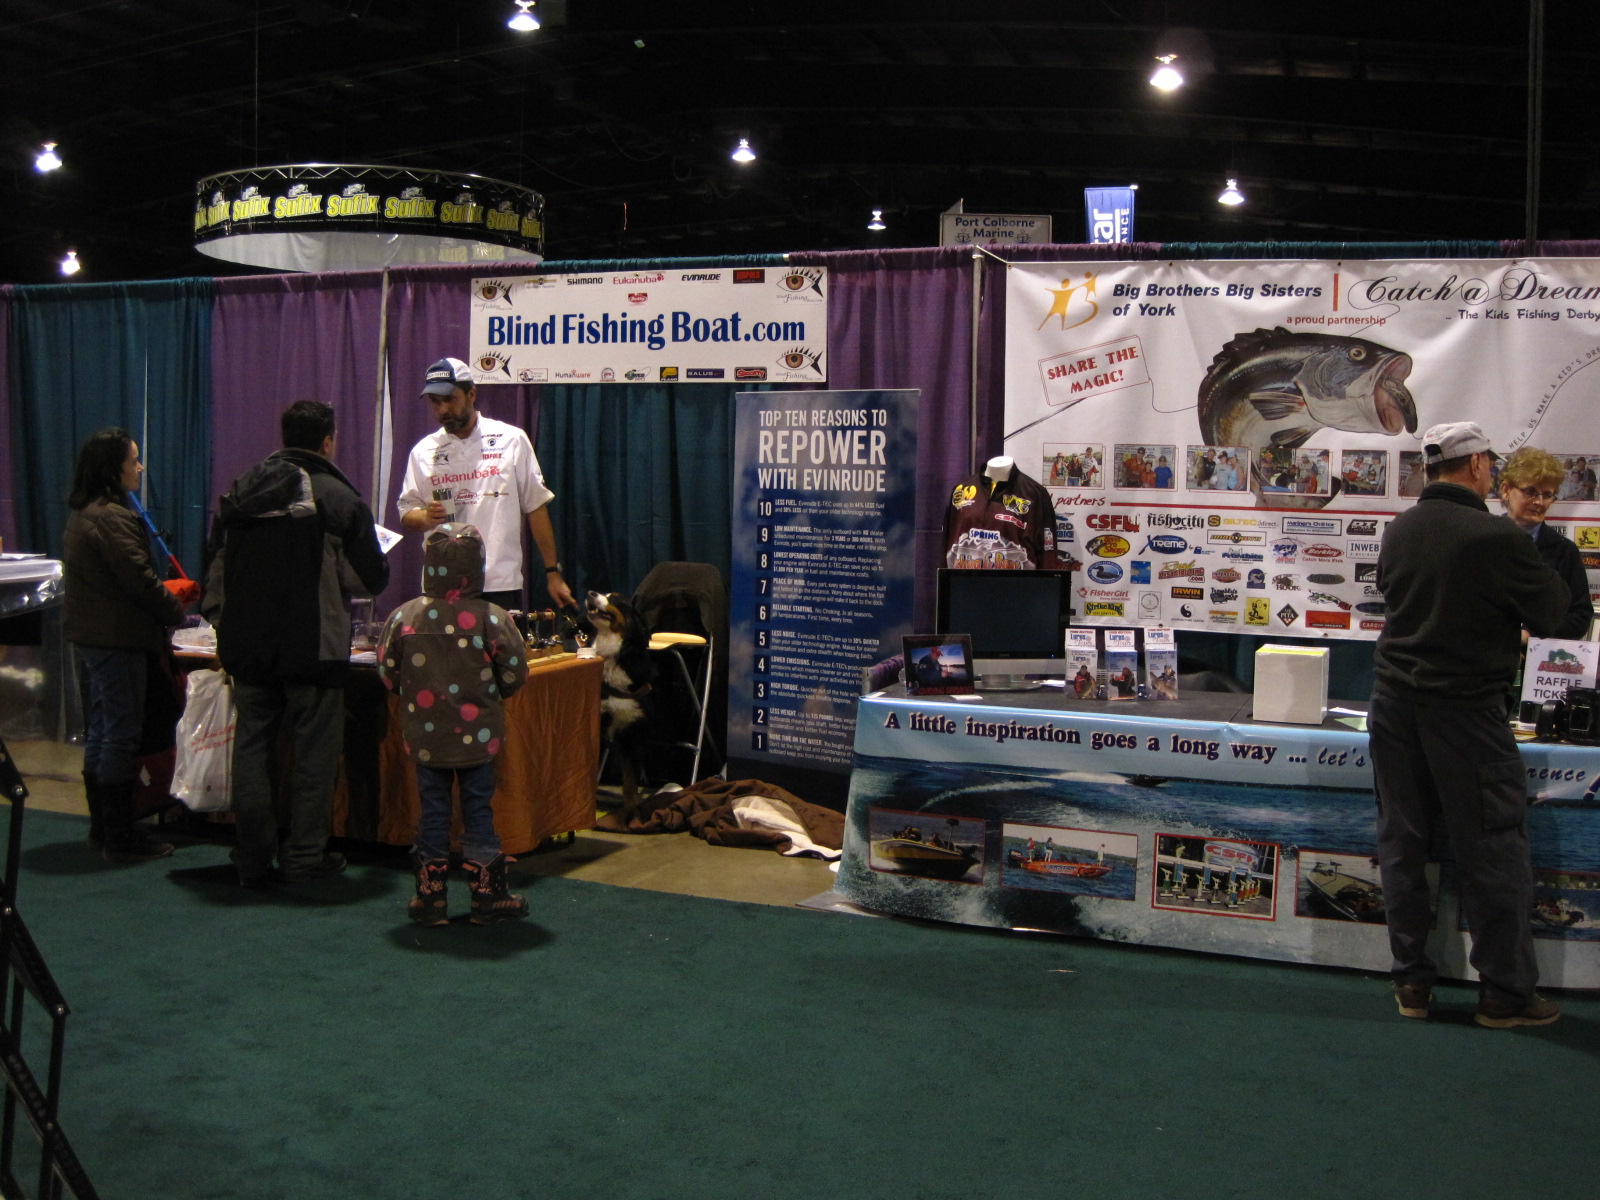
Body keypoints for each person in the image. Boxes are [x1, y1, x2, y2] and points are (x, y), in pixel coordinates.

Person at [1370, 422, 1569, 1028]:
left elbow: (1390, 596)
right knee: (1493, 848)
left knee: (1403, 842)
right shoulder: (1494, 537)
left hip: (1394, 705)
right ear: (1480, 466)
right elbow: (1559, 616)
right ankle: (1506, 995)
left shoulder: (1400, 529)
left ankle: (1412, 986)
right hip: (1465, 712)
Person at [204, 401, 390, 887]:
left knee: (251, 749)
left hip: (247, 646)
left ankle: (250, 857)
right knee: (314, 757)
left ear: (284, 436)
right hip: (314, 647)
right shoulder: (338, 497)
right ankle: (304, 857)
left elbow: (215, 568)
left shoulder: (240, 489)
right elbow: (369, 578)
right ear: (327, 442)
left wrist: (224, 626)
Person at [378, 524, 530, 925]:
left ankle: (430, 901)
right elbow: (514, 674)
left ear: (429, 565)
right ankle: (487, 897)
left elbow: (389, 674)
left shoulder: (404, 616)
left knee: (433, 813)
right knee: (479, 809)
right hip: (479, 739)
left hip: (426, 738)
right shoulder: (492, 618)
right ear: (478, 567)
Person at [62, 427, 195, 861]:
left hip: (96, 639)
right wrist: (178, 614)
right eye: (133, 460)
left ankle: (104, 830)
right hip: (117, 640)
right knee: (118, 735)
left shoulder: (86, 513)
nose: (140, 467)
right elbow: (139, 581)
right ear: (112, 467)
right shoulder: (110, 518)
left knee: (103, 732)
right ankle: (117, 837)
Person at [397, 357, 575, 613]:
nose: (442, 410)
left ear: (471, 394)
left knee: (497, 653)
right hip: (442, 581)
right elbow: (406, 511)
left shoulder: (511, 439)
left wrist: (552, 572)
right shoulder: (423, 451)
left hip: (499, 581)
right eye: (435, 402)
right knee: (446, 653)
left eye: (450, 399)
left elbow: (536, 507)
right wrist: (425, 517)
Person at [1498, 447, 1593, 641]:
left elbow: (1580, 615)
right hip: (1487, 661)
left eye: (1548, 494)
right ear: (1506, 490)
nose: (1539, 502)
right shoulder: (1481, 542)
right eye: (1530, 492)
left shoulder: (1564, 550)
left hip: (1539, 664)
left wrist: (1532, 635)